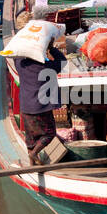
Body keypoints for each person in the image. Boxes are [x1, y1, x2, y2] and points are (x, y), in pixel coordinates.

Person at [16, 35, 67, 164]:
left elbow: (16, 53)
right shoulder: (45, 66)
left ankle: (32, 164)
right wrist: (51, 48)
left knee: (30, 139)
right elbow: (62, 61)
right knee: (49, 133)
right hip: (41, 107)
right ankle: (34, 154)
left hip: (26, 107)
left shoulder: (20, 64)